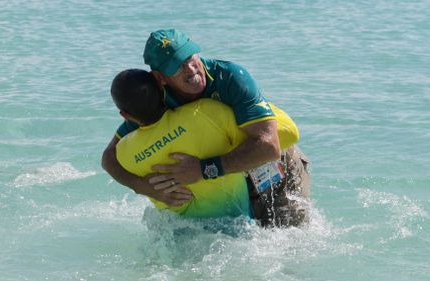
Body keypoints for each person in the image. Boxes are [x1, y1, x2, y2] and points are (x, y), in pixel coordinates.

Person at [102, 29, 310, 226]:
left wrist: (204, 170)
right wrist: (144, 187)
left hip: (277, 165)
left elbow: (269, 146)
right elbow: (109, 157)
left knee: (291, 245)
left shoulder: (230, 77)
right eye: (177, 65)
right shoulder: (156, 101)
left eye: (190, 57)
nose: (191, 69)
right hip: (235, 176)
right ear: (159, 78)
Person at [110, 69, 298, 218]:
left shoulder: (124, 154)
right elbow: (285, 134)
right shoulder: (207, 113)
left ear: (125, 115)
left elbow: (108, 160)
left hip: (186, 240)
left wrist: (141, 186)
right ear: (161, 87)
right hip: (243, 227)